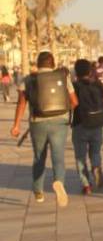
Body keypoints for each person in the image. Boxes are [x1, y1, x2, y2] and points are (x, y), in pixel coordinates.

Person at [10, 51, 78, 206]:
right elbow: (74, 101)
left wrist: (16, 125)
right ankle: (59, 182)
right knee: (58, 156)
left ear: (37, 63)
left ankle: (38, 191)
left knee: (39, 157)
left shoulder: (28, 79)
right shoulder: (63, 77)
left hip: (37, 122)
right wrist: (64, 111)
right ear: (52, 63)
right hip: (60, 122)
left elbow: (21, 103)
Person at [72, 59, 103, 195]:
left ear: (76, 72)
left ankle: (86, 185)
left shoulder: (74, 86)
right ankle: (96, 166)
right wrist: (102, 111)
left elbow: (72, 103)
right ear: (90, 71)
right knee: (95, 152)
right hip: (97, 124)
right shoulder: (98, 84)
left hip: (80, 124)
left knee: (80, 157)